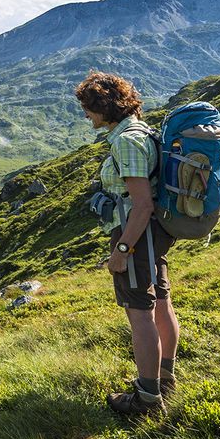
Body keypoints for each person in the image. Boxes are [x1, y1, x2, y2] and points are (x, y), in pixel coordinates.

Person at [75, 70, 178, 416]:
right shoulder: (140, 131)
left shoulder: (126, 141)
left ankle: (147, 399)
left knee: (141, 313)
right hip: (152, 234)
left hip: (136, 234)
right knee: (161, 303)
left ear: (105, 106)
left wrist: (121, 250)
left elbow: (142, 203)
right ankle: (164, 379)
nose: (86, 115)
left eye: (88, 108)